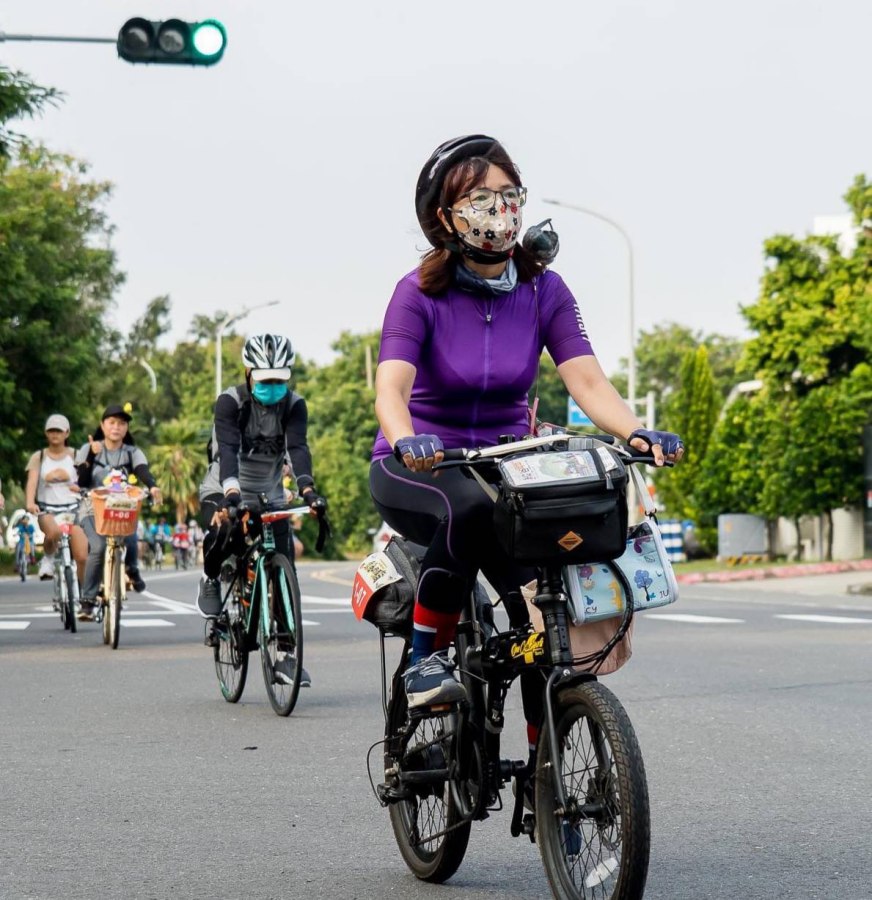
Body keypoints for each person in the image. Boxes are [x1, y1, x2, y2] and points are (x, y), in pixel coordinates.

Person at [370, 135, 685, 726]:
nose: (498, 211)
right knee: (464, 510)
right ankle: (423, 661)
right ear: (445, 217)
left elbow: (588, 383)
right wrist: (408, 437)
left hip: (509, 470)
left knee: (544, 618)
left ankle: (550, 783)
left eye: (507, 195)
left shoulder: (545, 289)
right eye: (479, 199)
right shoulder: (417, 293)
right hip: (417, 466)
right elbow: (392, 388)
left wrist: (637, 432)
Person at [196, 333, 327, 687]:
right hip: (226, 486)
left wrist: (308, 489)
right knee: (225, 531)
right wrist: (232, 494)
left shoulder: (294, 405)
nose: (272, 386)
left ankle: (285, 655)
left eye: (278, 380)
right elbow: (226, 449)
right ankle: (212, 577)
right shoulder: (231, 402)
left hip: (270, 494)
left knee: (285, 561)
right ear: (248, 372)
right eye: (265, 379)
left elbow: (298, 448)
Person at [75, 404, 162, 620]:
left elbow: (143, 471)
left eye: (122, 423)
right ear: (103, 426)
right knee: (98, 546)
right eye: (112, 422)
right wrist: (91, 458)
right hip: (92, 510)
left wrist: (152, 486)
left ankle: (131, 570)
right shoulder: (89, 449)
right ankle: (87, 601)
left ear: (126, 428)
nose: (117, 427)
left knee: (131, 537)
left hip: (122, 509)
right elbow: (82, 481)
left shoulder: (132, 452)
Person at [24, 414, 88, 588]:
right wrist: (30, 502)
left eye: (59, 431)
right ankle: (48, 558)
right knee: (53, 533)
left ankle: (85, 598)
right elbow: (32, 482)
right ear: (46, 433)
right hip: (47, 509)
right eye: (51, 431)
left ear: (66, 433)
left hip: (75, 509)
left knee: (82, 556)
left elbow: (87, 479)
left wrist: (84, 489)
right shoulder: (40, 456)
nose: (55, 435)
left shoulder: (77, 455)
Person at [14, 513, 36, 580]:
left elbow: (33, 532)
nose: (25, 521)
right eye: (24, 520)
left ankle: (32, 558)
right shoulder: (21, 527)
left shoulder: (31, 526)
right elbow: (18, 531)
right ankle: (17, 564)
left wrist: (31, 535)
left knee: (32, 548)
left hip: (29, 542)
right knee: (17, 549)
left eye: (26, 520)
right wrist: (17, 534)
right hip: (22, 542)